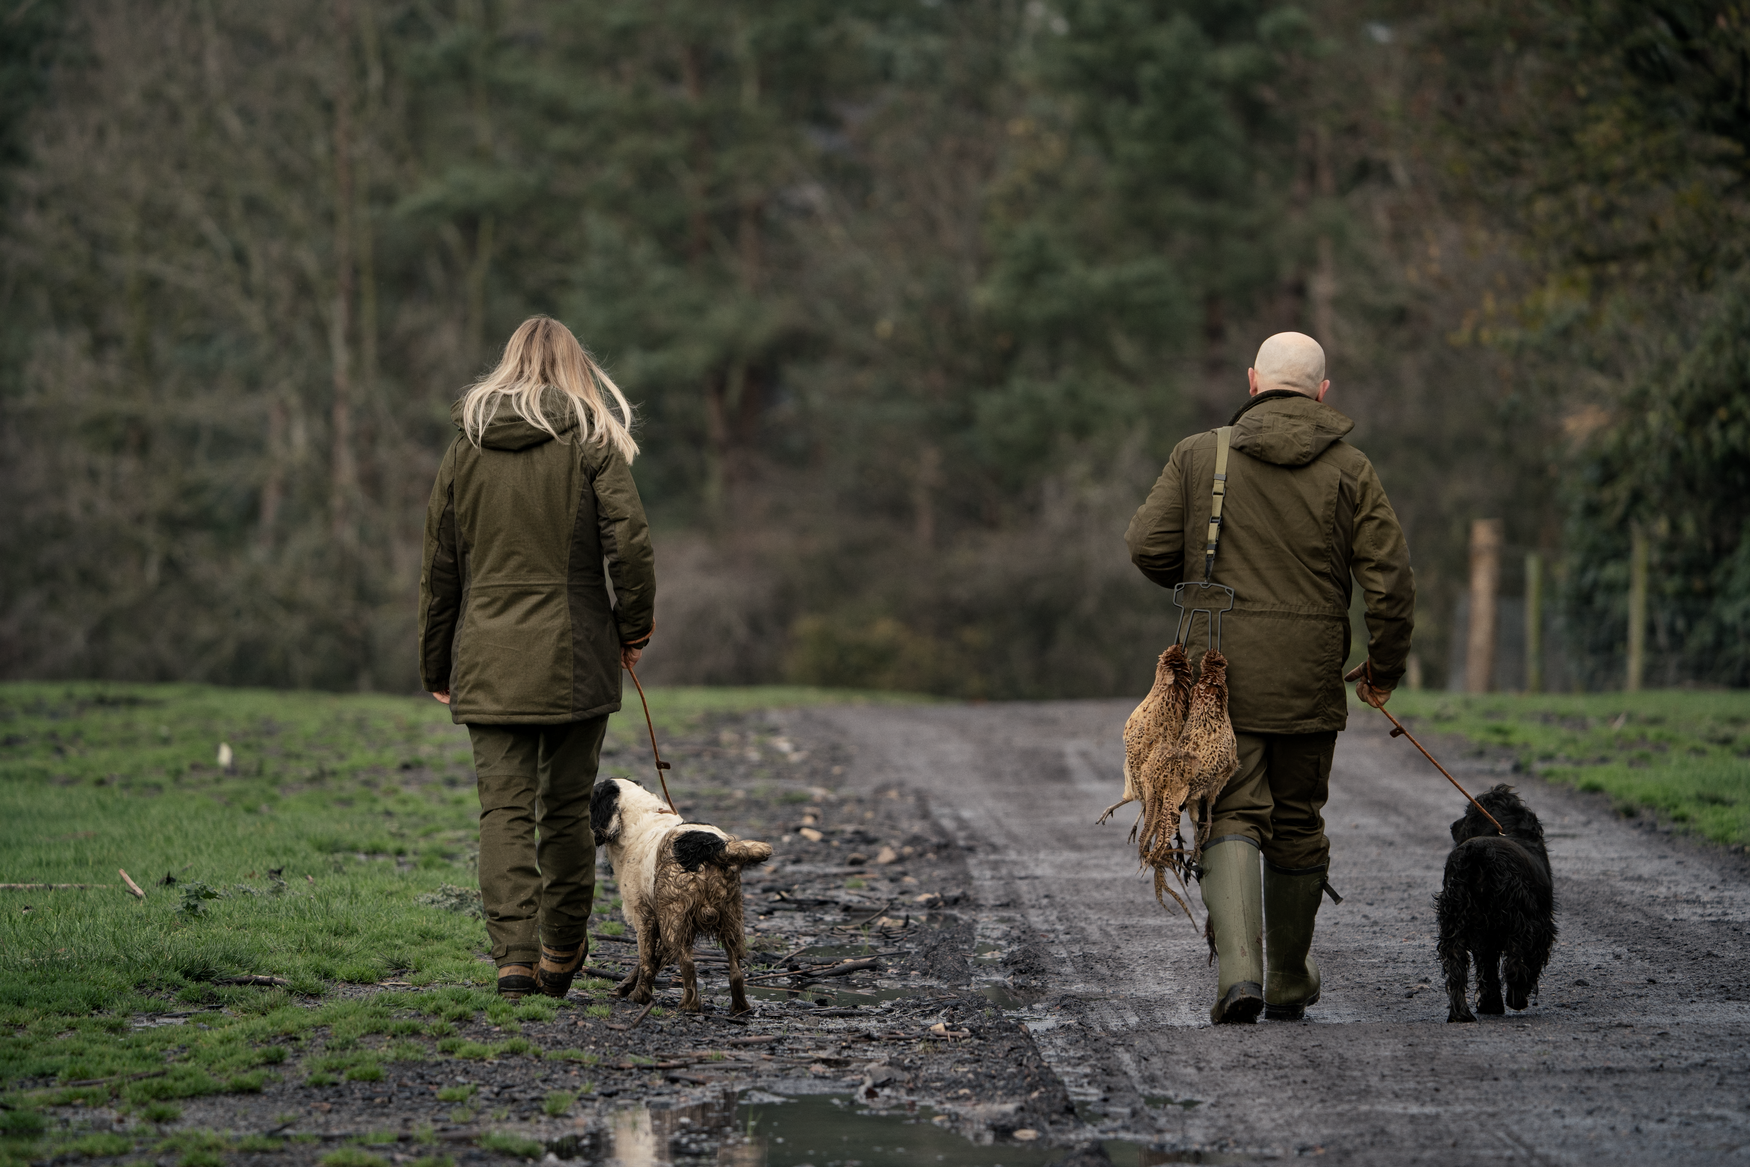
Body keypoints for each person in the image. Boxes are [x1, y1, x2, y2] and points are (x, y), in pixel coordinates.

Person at [1124, 331, 1414, 1024]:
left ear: (1254, 381)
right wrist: (1384, 666)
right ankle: (1287, 975)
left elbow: (1146, 545)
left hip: (1219, 676)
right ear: (1322, 392)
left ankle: (1239, 972)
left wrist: (1198, 570)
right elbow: (1391, 581)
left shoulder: (1200, 455)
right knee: (1297, 819)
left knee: (1231, 810)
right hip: (1311, 676)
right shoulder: (1352, 468)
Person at [418, 316, 656, 999]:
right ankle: (559, 953)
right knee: (564, 808)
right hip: (576, 651)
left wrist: (437, 662)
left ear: (509, 364)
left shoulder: (466, 447)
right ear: (577, 368)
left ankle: (514, 961)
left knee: (503, 811)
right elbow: (630, 544)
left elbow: (440, 567)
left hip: (488, 656)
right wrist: (632, 627)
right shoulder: (591, 439)